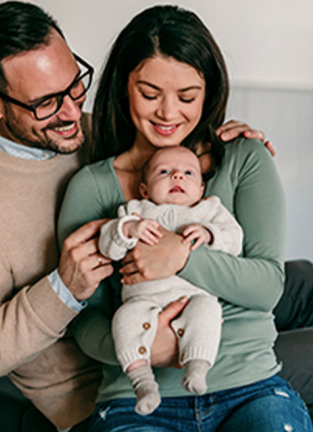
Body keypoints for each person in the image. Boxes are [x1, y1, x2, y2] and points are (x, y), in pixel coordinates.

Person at [0, 1, 313, 431]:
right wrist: (65, 289)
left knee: (303, 279)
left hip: (190, 312)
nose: (71, 111)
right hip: (103, 373)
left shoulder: (85, 130)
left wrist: (224, 138)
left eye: (74, 86)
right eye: (47, 102)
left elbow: (164, 118)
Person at [99, 146, 243, 415]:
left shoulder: (208, 210)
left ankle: (197, 367)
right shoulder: (135, 211)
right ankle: (143, 383)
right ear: (144, 189)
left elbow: (235, 240)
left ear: (201, 190)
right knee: (124, 319)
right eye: (164, 172)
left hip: (191, 297)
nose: (177, 176)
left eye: (189, 173)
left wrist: (210, 234)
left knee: (208, 311)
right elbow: (108, 245)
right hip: (142, 300)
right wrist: (129, 229)